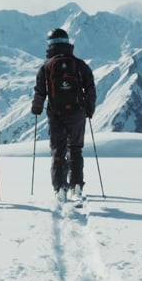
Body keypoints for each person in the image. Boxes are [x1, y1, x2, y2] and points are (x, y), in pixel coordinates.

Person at [31, 28, 96, 202]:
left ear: (50, 45)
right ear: (67, 43)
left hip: (56, 113)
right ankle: (76, 187)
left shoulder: (46, 66)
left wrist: (36, 108)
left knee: (58, 149)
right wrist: (89, 108)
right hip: (77, 113)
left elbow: (40, 92)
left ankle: (59, 187)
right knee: (75, 149)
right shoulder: (79, 64)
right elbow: (90, 87)